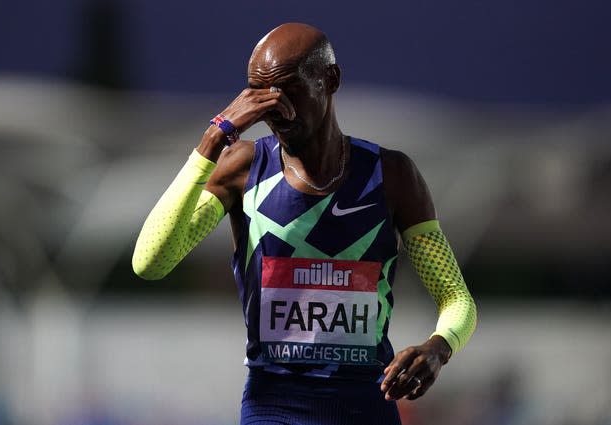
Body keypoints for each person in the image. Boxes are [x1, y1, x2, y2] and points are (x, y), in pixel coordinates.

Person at [132, 22, 476, 425]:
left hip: (366, 405)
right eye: (260, 94)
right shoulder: (243, 170)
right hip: (273, 407)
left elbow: (456, 298)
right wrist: (212, 140)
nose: (276, 109)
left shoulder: (392, 175)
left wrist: (439, 347)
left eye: (288, 89)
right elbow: (150, 262)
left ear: (330, 80)